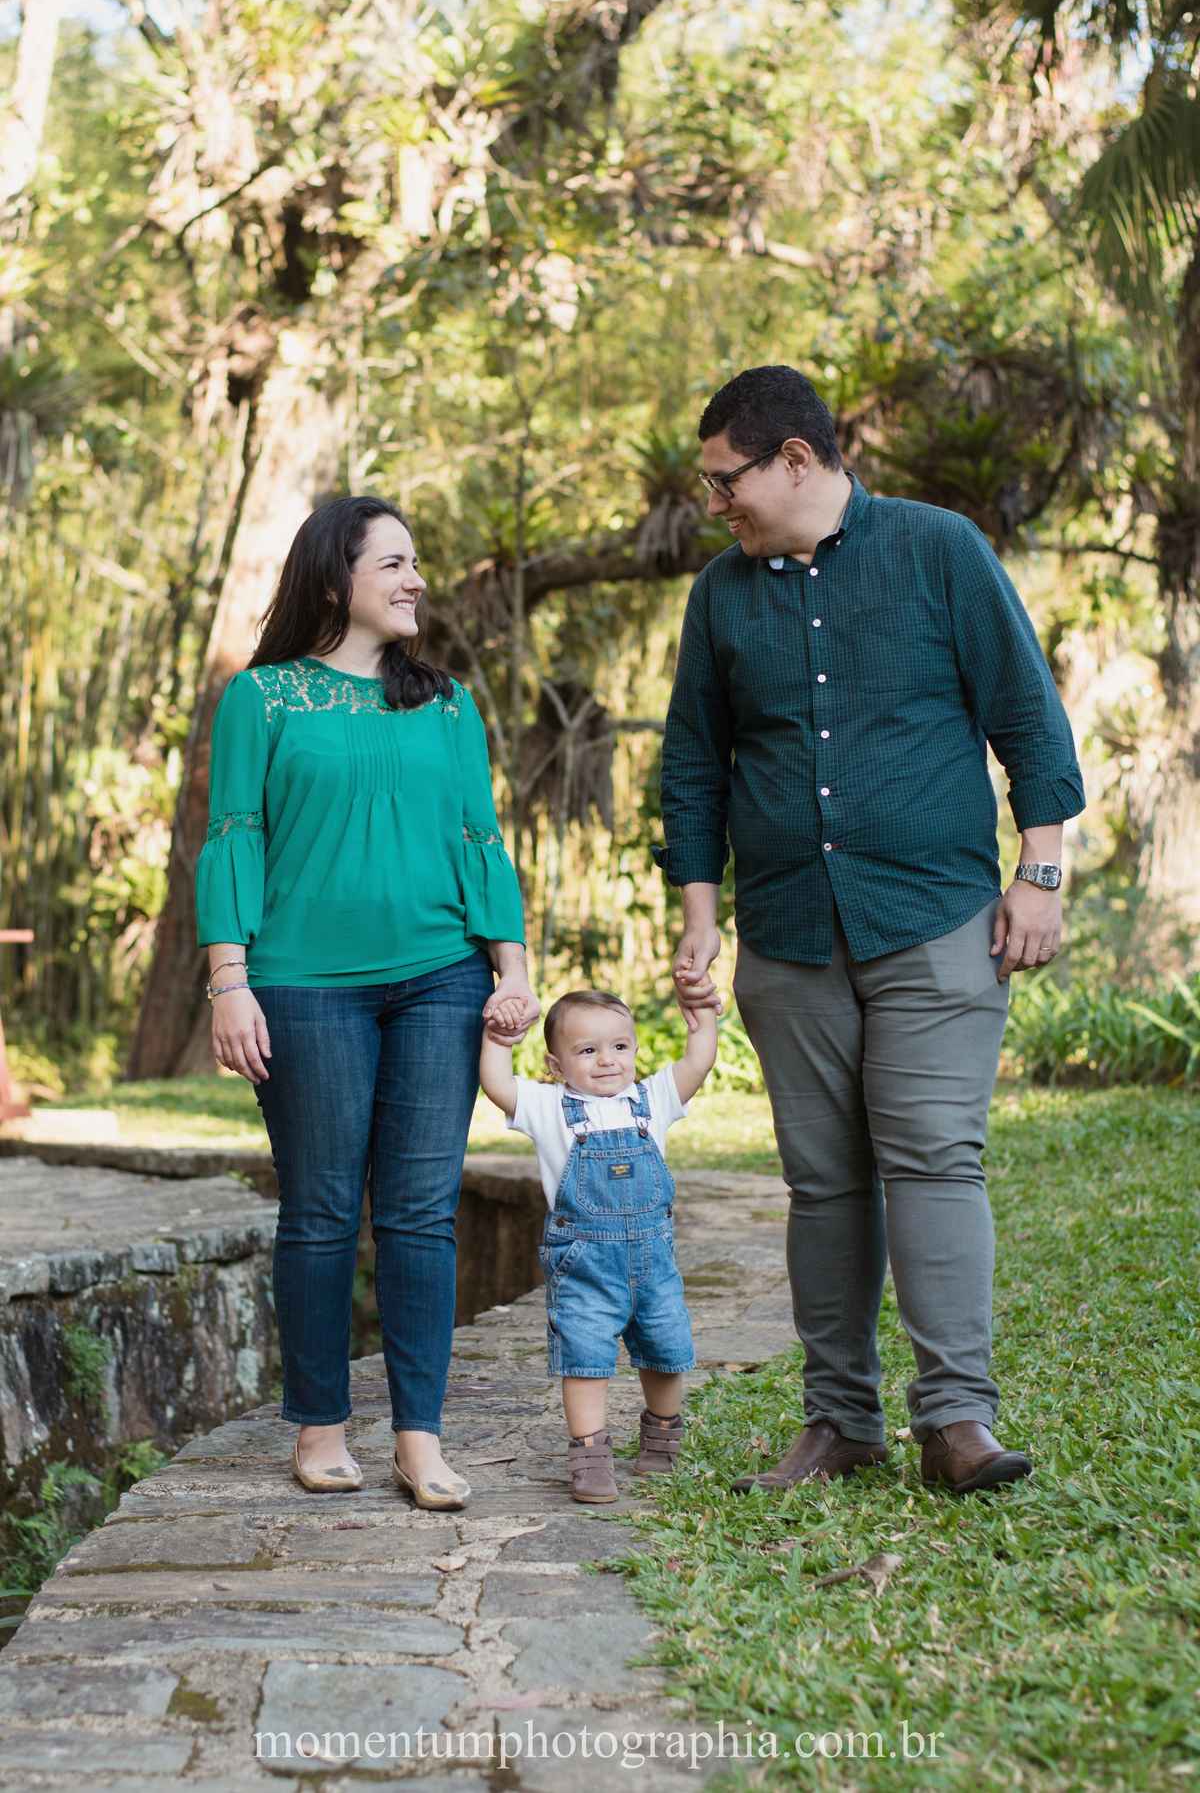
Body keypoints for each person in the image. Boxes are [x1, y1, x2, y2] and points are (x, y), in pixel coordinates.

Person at [659, 365, 1085, 1497]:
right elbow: (695, 770)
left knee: (935, 1157)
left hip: (934, 918)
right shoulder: (722, 595)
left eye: (726, 479)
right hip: (789, 934)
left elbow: (1027, 718)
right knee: (824, 1182)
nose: (717, 503)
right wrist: (701, 921)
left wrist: (1038, 875)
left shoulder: (939, 550)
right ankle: (839, 1422)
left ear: (796, 459)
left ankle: (958, 1420)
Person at [195, 494, 539, 1511]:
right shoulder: (264, 699)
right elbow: (234, 838)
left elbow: (480, 837)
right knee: (322, 1213)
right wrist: (230, 981)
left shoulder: (447, 704)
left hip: (442, 977)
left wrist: (512, 967)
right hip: (303, 988)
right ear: (335, 579)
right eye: (393, 562)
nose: (415, 578)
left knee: (424, 1216)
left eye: (417, 561)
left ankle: (421, 1439)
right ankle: (321, 1425)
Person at [478, 989, 718, 1502]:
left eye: (620, 1047)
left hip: (654, 1263)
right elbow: (496, 1082)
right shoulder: (548, 1107)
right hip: (585, 1264)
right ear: (556, 1064)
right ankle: (590, 1455)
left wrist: (702, 1015)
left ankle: (662, 1431)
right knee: (584, 1357)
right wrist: (499, 1038)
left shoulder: (652, 1100)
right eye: (587, 1051)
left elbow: (699, 1061)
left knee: (666, 1350)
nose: (607, 1060)